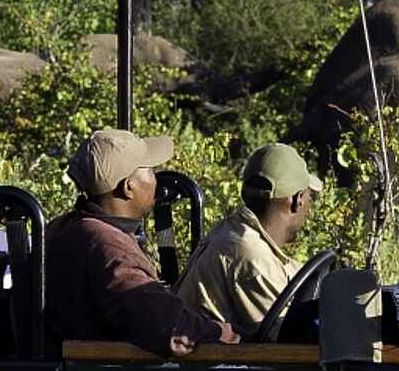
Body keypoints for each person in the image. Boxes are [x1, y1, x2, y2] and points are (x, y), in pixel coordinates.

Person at [46, 129, 238, 356]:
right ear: (128, 187)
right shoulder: (110, 247)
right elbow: (171, 330)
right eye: (150, 171)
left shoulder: (64, 227)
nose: (156, 180)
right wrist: (219, 332)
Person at [178, 142, 322, 337]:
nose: (309, 209)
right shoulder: (250, 255)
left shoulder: (235, 231)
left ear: (243, 192)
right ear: (298, 200)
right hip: (213, 356)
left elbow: (291, 275)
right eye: (310, 197)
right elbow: (288, 341)